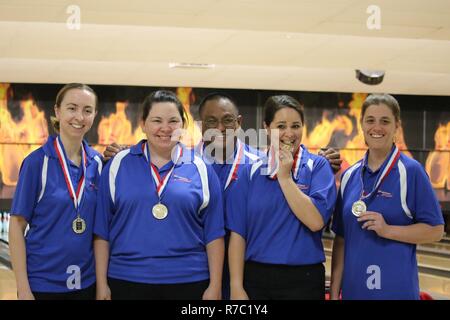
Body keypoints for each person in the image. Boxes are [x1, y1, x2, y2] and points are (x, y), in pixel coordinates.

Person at [94, 90, 225, 300]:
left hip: (189, 281)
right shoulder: (118, 164)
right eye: (157, 120)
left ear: (183, 124)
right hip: (126, 279)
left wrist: (215, 286)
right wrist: (102, 285)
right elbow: (102, 231)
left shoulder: (201, 167)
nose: (166, 129)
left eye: (173, 121)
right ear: (143, 123)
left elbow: (214, 234)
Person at [330, 94, 444, 300]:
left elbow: (435, 230)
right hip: (354, 293)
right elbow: (341, 239)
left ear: (396, 127)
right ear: (362, 125)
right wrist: (335, 289)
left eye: (385, 121)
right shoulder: (349, 176)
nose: (377, 127)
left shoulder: (412, 172)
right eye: (370, 120)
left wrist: (388, 230)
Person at [226, 95, 337, 300]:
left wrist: (285, 177)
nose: (289, 133)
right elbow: (238, 235)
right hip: (257, 279)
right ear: (267, 128)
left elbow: (315, 221)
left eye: (296, 125)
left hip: (304, 279)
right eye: (281, 126)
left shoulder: (318, 168)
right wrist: (236, 285)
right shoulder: (249, 172)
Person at [9, 83, 102, 300]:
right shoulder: (36, 163)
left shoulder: (97, 163)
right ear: (57, 111)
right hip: (43, 284)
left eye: (87, 110)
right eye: (72, 108)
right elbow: (16, 225)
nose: (79, 116)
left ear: (94, 115)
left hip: (87, 282)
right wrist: (23, 288)